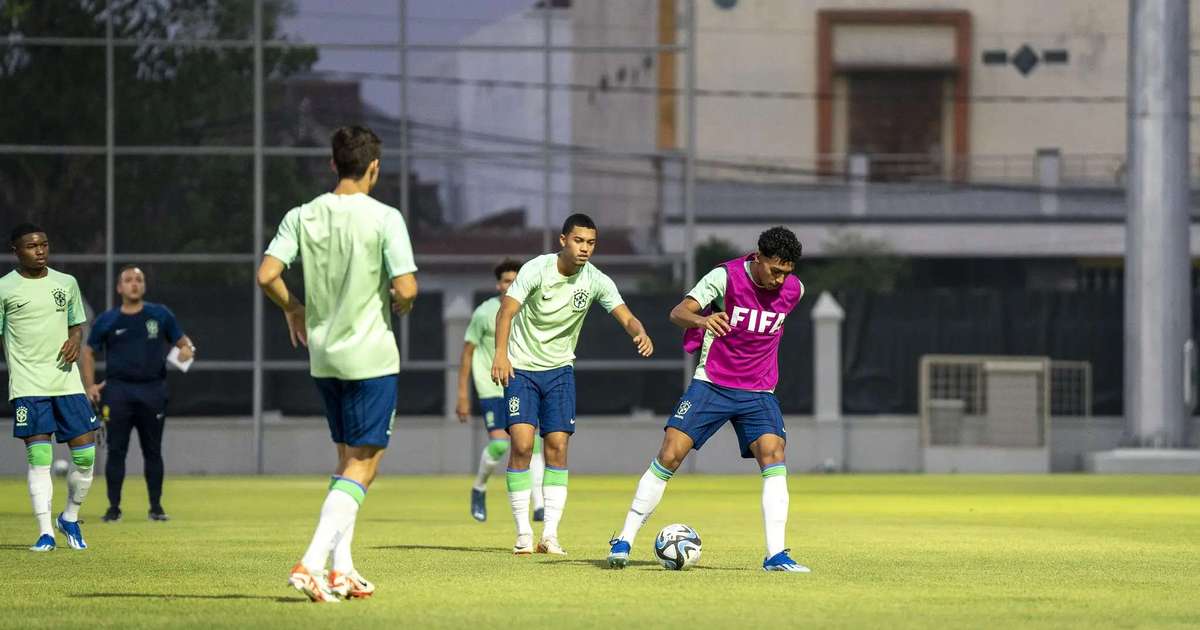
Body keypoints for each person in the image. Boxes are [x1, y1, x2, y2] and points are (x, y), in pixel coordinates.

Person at [257, 125, 418, 603]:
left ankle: (342, 570)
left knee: (348, 462)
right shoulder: (384, 217)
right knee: (365, 467)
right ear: (374, 167)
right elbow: (407, 288)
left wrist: (293, 308)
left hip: (324, 357)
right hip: (370, 357)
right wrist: (401, 301)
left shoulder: (302, 215)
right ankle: (311, 562)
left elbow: (268, 274)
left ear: (332, 164)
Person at [606, 226, 810, 573]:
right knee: (670, 454)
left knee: (774, 455)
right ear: (758, 258)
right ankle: (624, 538)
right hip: (712, 383)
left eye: (786, 273)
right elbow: (678, 312)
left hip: (759, 391)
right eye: (775, 270)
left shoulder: (795, 290)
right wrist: (703, 319)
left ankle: (775, 554)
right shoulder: (724, 277)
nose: (780, 280)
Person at [492, 213, 654, 556]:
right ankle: (523, 533)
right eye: (579, 241)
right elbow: (505, 311)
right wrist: (500, 355)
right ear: (563, 240)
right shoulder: (536, 269)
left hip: (560, 371)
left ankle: (549, 535)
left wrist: (638, 332)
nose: (585, 248)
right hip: (520, 368)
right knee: (521, 445)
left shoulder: (595, 279)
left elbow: (624, 314)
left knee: (557, 447)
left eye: (591, 243)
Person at [1, 223, 98, 552]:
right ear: (16, 251)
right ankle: (45, 532)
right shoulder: (4, 288)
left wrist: (74, 339)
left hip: (67, 384)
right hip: (29, 385)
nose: (40, 250)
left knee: (86, 457)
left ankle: (69, 517)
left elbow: (76, 325)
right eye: (31, 246)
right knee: (39, 458)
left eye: (44, 244)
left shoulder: (66, 283)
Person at [81, 265, 194, 522]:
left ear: (144, 286)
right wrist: (90, 385)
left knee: (153, 451)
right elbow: (88, 351)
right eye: (129, 280)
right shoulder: (108, 320)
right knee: (116, 450)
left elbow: (183, 342)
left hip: (152, 391)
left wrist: (186, 349)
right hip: (117, 392)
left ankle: (156, 506)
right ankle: (113, 508)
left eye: (139, 280)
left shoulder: (160, 315)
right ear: (119, 287)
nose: (134, 284)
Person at [456, 259, 545, 523]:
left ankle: (539, 504)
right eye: (506, 281)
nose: (510, 285)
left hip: (521, 383)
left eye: (515, 281)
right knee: (498, 445)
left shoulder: (529, 309)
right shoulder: (485, 312)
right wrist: (462, 395)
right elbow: (467, 353)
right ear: (498, 284)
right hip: (492, 387)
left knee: (534, 444)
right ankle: (480, 487)